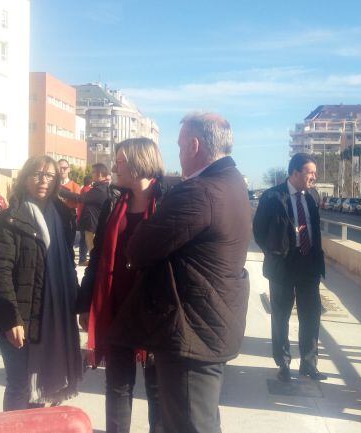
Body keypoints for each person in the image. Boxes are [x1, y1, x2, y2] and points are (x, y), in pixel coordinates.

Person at [106, 112, 250, 433]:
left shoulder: (199, 191)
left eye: (180, 144)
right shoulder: (234, 182)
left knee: (188, 424)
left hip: (191, 331)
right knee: (201, 419)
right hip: (211, 323)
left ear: (195, 145)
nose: (178, 152)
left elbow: (140, 248)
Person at [79, 138, 165, 433]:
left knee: (158, 389)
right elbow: (97, 255)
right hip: (114, 306)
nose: (115, 166)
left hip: (156, 311)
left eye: (121, 161)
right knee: (117, 386)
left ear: (141, 162)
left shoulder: (169, 200)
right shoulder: (113, 202)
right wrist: (84, 302)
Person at [0, 155, 82, 410]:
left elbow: (68, 265)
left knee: (42, 390)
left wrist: (79, 305)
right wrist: (12, 318)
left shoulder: (63, 215)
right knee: (20, 386)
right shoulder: (9, 218)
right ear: (25, 178)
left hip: (54, 317)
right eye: (37, 174)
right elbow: (0, 271)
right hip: (19, 317)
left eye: (50, 175)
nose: (43, 181)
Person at [253, 153, 327, 382]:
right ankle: (283, 363)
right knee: (281, 316)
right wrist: (275, 252)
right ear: (295, 173)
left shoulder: (312, 196)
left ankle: (309, 363)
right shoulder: (272, 196)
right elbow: (258, 231)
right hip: (282, 266)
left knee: (311, 316)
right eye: (310, 172)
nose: (314, 177)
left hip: (309, 266)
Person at [79, 164, 111, 265]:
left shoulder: (99, 189)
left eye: (93, 172)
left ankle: (94, 263)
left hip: (92, 224)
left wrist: (60, 191)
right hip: (94, 223)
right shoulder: (101, 187)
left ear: (100, 174)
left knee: (92, 248)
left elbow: (81, 198)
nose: (91, 174)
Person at [77, 175, 94, 265]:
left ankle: (82, 258)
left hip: (81, 216)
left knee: (83, 239)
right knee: (85, 239)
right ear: (90, 182)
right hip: (85, 218)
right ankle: (82, 259)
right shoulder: (88, 190)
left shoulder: (82, 189)